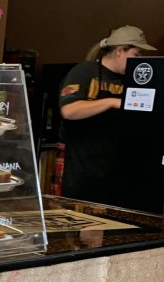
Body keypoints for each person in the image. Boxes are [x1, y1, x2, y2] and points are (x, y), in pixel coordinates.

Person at [58, 25, 155, 205]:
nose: (139, 61)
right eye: (136, 55)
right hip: (83, 170)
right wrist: (112, 102)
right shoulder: (84, 72)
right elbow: (69, 110)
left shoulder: (133, 80)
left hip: (117, 171)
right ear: (119, 51)